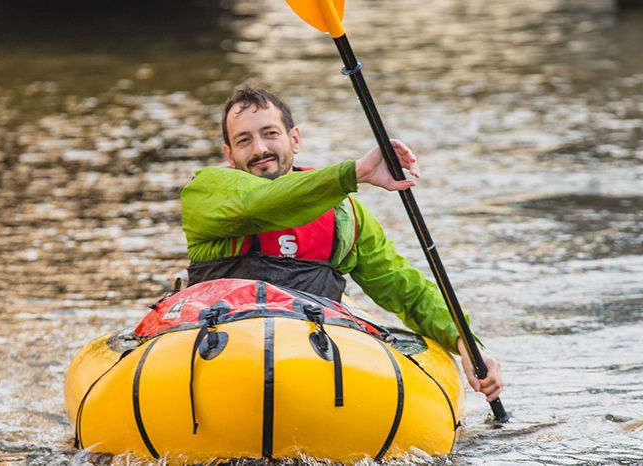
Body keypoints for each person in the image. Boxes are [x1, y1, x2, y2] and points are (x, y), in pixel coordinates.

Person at [181, 85, 503, 402]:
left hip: (313, 362)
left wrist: (465, 342)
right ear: (229, 155)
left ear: (294, 139)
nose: (259, 149)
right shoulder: (206, 192)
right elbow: (259, 201)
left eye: (270, 134)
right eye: (244, 140)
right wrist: (356, 173)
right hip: (224, 354)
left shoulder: (343, 212)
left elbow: (404, 289)